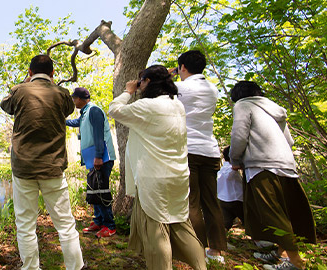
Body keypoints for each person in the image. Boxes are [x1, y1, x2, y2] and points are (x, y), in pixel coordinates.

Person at [108, 65, 206, 270]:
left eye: (141, 81)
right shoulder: (176, 105)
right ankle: (201, 267)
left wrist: (128, 91)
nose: (139, 84)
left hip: (153, 178)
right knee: (181, 226)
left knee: (156, 233)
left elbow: (114, 110)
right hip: (178, 174)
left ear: (149, 82)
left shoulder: (147, 107)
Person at [0, 54, 84, 270]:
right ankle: (75, 267)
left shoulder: (20, 90)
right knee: (65, 224)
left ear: (29, 72)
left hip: (24, 166)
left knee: (26, 225)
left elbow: (5, 105)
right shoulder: (62, 93)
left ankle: (30, 268)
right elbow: (67, 110)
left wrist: (23, 84)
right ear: (52, 73)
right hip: (53, 166)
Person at [229, 81, 316, 270]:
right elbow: (289, 140)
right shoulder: (274, 109)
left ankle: (296, 262)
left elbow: (239, 134)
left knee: (271, 213)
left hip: (262, 165)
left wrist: (234, 159)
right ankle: (280, 253)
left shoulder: (243, 105)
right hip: (285, 163)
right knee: (284, 210)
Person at [171, 50, 227, 263]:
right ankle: (217, 251)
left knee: (192, 201)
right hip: (210, 150)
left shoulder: (180, 88)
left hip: (189, 149)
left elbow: (154, 89)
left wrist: (170, 75)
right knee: (211, 201)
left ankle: (198, 249)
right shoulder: (212, 89)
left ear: (182, 67)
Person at [65, 87, 117, 238]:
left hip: (102, 157)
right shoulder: (85, 113)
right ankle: (99, 221)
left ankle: (110, 225)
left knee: (102, 191)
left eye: (75, 98)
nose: (74, 101)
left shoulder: (94, 110)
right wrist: (62, 121)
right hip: (93, 158)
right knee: (94, 189)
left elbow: (98, 134)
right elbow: (77, 122)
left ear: (81, 98)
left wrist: (99, 156)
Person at [216, 146, 244, 231]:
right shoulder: (229, 169)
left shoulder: (222, 169)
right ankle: (258, 241)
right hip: (235, 200)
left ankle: (221, 240)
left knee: (226, 222)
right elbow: (230, 174)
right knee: (248, 218)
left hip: (223, 200)